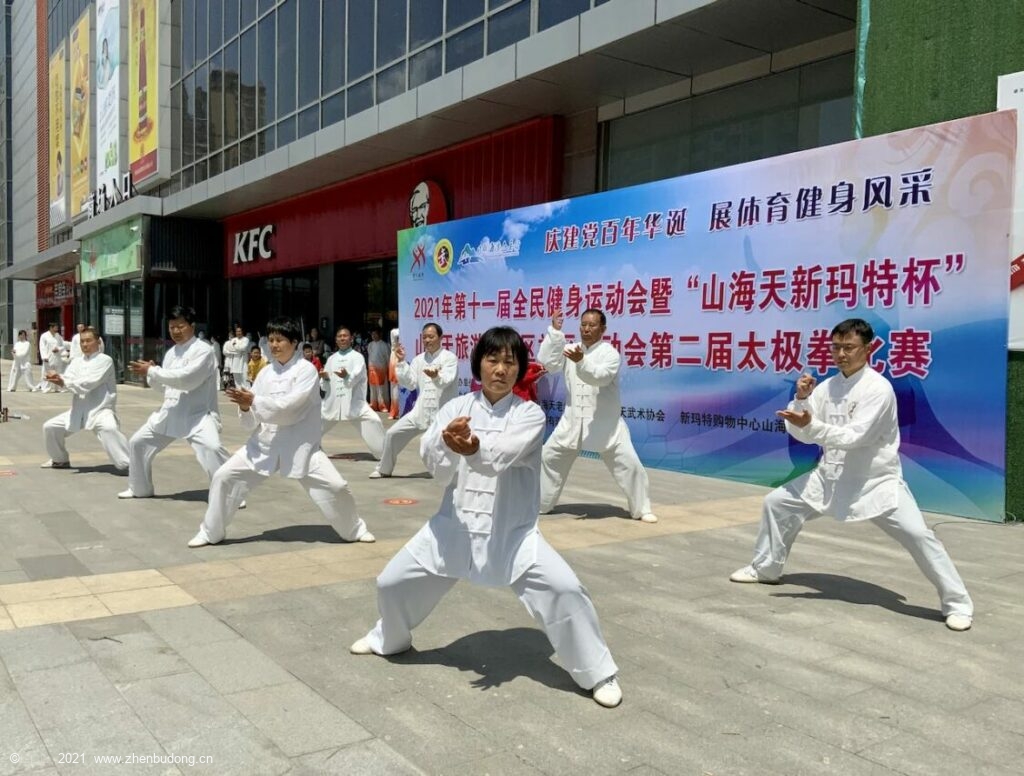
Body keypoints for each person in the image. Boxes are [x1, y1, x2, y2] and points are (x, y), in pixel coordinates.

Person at [350, 327, 623, 708]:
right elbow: (432, 456)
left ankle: (599, 672)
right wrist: (446, 444)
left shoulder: (529, 414)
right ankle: (389, 638)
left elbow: (501, 455)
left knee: (565, 590)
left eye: (510, 362)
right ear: (478, 364)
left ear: (520, 369)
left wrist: (472, 447)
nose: (500, 369)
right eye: (492, 360)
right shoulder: (456, 407)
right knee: (391, 582)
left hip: (511, 534)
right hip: (454, 527)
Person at [729, 318, 974, 631]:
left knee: (917, 534)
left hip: (874, 481)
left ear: (867, 349)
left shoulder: (878, 389)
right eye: (836, 347)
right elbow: (803, 431)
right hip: (828, 477)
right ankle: (766, 568)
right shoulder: (826, 387)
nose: (841, 354)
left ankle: (957, 603)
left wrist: (811, 424)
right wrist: (801, 400)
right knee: (777, 503)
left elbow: (856, 436)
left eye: (849, 347)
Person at [188, 316, 375, 548]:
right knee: (223, 476)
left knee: (336, 486)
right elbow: (251, 421)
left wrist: (253, 401)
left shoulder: (306, 370)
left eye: (280, 340)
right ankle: (210, 532)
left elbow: (290, 409)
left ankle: (355, 529)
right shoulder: (265, 373)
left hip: (301, 446)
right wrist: (245, 407)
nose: (274, 345)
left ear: (294, 342)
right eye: (271, 340)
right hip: (264, 444)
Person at [538, 309, 658, 524]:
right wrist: (555, 333)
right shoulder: (570, 349)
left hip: (606, 424)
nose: (586, 329)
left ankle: (641, 509)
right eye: (583, 324)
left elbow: (601, 377)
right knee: (548, 457)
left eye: (592, 325)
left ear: (603, 329)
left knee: (631, 465)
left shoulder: (610, 354)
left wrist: (581, 362)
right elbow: (548, 363)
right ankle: (540, 503)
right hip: (572, 422)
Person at [118, 306, 232, 501]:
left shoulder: (204, 351)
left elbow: (187, 380)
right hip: (170, 412)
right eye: (172, 327)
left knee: (212, 448)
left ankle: (231, 494)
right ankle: (139, 488)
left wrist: (153, 371)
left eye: (180, 326)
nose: (176, 331)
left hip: (197, 414)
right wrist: (153, 375)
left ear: (192, 326)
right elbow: (166, 387)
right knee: (138, 442)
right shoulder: (171, 353)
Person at [370, 322, 457, 478]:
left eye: (431, 337)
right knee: (392, 434)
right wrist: (401, 362)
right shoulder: (418, 360)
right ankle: (384, 469)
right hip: (420, 411)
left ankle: (451, 473)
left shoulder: (449, 358)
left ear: (440, 338)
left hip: (442, 413)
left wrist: (436, 376)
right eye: (425, 337)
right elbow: (409, 383)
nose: (427, 340)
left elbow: (446, 380)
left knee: (432, 444)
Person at [40, 327, 129, 471]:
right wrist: (58, 377)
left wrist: (64, 382)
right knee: (50, 427)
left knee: (110, 428)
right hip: (78, 410)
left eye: (88, 341)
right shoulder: (76, 361)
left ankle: (128, 464)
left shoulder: (105, 360)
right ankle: (60, 460)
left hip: (100, 410)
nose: (85, 344)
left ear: (98, 342)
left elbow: (89, 383)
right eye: (82, 341)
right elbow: (69, 377)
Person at [321, 326, 385, 459]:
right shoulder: (331, 359)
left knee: (374, 420)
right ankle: (312, 449)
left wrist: (346, 376)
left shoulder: (357, 357)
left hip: (354, 404)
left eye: (345, 336)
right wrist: (325, 378)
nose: (342, 338)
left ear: (351, 339)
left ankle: (383, 453)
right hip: (333, 403)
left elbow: (356, 376)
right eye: (339, 336)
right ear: (336, 340)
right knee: (314, 425)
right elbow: (325, 385)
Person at [366, 328, 390, 412]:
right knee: (372, 388)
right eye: (372, 334)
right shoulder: (370, 345)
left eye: (375, 334)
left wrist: (387, 369)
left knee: (381, 388)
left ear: (380, 335)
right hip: (372, 369)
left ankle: (383, 406)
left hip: (381, 369)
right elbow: (370, 356)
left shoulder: (385, 345)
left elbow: (388, 358)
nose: (373, 336)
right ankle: (373, 405)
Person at [38, 322, 66, 393]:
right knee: (47, 372)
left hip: (57, 357)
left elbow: (63, 345)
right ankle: (45, 388)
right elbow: (42, 347)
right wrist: (44, 356)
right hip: (48, 357)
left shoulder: (58, 336)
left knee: (58, 372)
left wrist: (58, 349)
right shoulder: (44, 336)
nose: (57, 328)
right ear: (51, 328)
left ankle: (58, 388)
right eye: (55, 327)